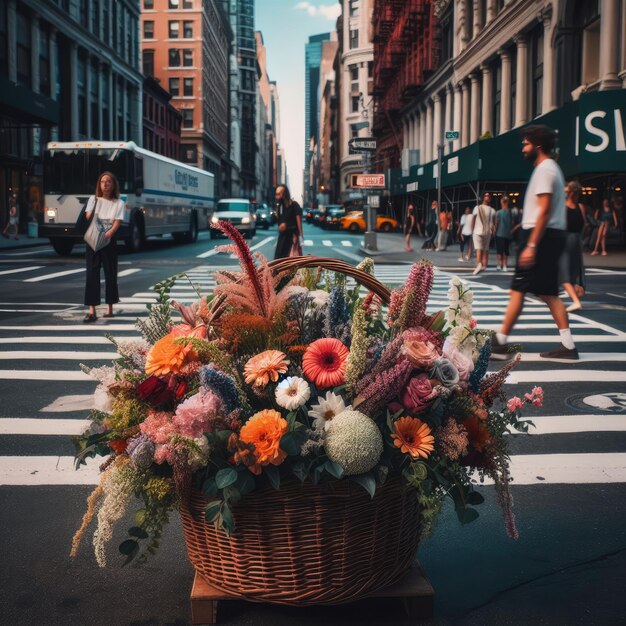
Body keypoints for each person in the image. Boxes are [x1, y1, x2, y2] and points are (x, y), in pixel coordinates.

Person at [491, 124, 578, 361]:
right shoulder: (551, 169)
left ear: (537, 145)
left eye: (526, 143)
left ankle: (500, 342)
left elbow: (544, 211)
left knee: (518, 290)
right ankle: (568, 345)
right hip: (548, 236)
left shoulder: (545, 171)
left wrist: (531, 245)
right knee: (549, 293)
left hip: (541, 237)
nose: (523, 148)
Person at [83, 172, 124, 323]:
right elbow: (88, 216)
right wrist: (96, 207)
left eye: (108, 182)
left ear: (113, 185)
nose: (105, 184)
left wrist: (110, 233)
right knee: (91, 275)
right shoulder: (93, 200)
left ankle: (109, 309)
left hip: (109, 240)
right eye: (102, 182)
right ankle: (91, 310)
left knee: (110, 274)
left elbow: (117, 222)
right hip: (93, 239)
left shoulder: (118, 203)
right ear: (99, 185)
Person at [560, 181, 587, 312]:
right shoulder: (580, 207)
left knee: (564, 274)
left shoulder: (563, 207)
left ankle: (576, 301)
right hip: (578, 241)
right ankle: (577, 297)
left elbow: (560, 226)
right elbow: (585, 225)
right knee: (574, 272)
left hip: (566, 240)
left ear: (570, 193)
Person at [274, 184, 303, 259]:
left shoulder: (294, 205)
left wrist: (300, 236)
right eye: (276, 194)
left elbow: (299, 222)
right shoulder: (280, 206)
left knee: (291, 259)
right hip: (283, 236)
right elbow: (279, 222)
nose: (277, 196)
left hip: (292, 236)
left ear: (284, 193)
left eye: (279, 193)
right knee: (279, 258)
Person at [471, 192, 496, 274]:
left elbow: (493, 222)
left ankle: (484, 266)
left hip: (487, 231)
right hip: (477, 231)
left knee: (486, 249)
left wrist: (493, 230)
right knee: (479, 249)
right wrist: (472, 230)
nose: (487, 197)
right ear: (483, 197)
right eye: (485, 195)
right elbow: (473, 219)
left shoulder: (492, 210)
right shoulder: (477, 208)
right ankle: (479, 264)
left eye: (488, 196)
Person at [494, 195, 513, 271]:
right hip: (507, 233)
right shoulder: (510, 212)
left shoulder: (498, 212)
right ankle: (505, 265)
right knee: (506, 250)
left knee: (500, 250)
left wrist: (494, 231)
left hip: (499, 233)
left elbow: (496, 223)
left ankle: (499, 265)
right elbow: (512, 222)